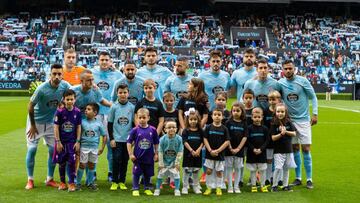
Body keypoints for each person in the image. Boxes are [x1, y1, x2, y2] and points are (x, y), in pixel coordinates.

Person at [25, 63, 71, 190]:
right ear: (50, 74)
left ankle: (49, 179)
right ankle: (30, 179)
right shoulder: (42, 88)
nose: (56, 76)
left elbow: (74, 92)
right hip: (36, 122)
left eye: (59, 74)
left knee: (53, 150)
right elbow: (30, 106)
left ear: (62, 75)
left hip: (51, 123)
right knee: (32, 149)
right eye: (54, 74)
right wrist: (33, 125)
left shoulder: (65, 85)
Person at [279, 60, 318, 189]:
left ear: (294, 68)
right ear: (282, 70)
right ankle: (298, 177)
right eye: (286, 68)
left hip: (304, 120)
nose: (288, 70)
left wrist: (315, 114)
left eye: (290, 68)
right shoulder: (280, 83)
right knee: (295, 148)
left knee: (306, 149)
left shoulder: (303, 81)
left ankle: (309, 179)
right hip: (290, 121)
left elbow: (313, 97)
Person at [92, 51, 123, 182]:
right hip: (94, 113)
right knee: (92, 142)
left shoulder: (117, 74)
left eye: (106, 60)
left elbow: (126, 82)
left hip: (110, 113)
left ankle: (111, 172)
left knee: (112, 144)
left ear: (111, 61)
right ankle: (92, 172)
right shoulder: (92, 72)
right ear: (98, 60)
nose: (104, 62)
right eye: (102, 59)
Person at [53, 89, 81, 192]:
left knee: (72, 162)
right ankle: (62, 182)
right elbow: (56, 127)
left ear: (75, 99)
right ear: (64, 100)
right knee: (61, 163)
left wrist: (78, 141)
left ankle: (72, 183)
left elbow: (78, 127)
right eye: (67, 99)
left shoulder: (77, 112)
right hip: (61, 142)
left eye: (71, 99)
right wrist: (58, 142)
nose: (70, 101)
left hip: (72, 143)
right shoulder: (59, 112)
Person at [127, 108, 159, 197]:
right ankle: (135, 188)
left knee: (147, 174)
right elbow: (129, 142)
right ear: (137, 118)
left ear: (148, 118)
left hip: (149, 157)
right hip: (138, 157)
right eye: (140, 117)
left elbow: (156, 143)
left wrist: (156, 153)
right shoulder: (135, 130)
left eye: (144, 117)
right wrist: (131, 154)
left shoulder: (153, 130)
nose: (142, 119)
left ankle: (147, 188)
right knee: (136, 173)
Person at [108, 84, 135, 191]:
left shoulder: (132, 107)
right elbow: (109, 124)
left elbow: (133, 124)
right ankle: (114, 181)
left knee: (125, 160)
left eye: (125, 92)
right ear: (117, 94)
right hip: (117, 139)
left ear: (128, 93)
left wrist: (132, 139)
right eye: (120, 92)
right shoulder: (114, 107)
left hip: (127, 140)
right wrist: (112, 139)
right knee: (116, 159)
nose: (123, 94)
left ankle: (122, 181)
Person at [76, 103, 107, 191]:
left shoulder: (99, 123)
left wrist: (102, 148)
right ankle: (78, 183)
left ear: (95, 112)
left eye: (89, 109)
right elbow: (77, 134)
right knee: (82, 165)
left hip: (94, 148)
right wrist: (78, 143)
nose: (86, 110)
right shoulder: (82, 121)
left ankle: (90, 183)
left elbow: (104, 135)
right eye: (86, 109)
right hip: (84, 148)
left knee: (92, 166)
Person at [203, 108, 230, 196]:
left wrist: (218, 150)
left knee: (219, 172)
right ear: (212, 116)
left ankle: (219, 187)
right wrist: (210, 150)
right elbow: (205, 139)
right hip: (209, 154)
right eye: (215, 115)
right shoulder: (208, 127)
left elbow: (227, 142)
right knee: (209, 171)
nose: (217, 116)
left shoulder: (224, 129)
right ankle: (209, 187)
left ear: (222, 117)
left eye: (219, 115)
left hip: (220, 154)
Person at [270, 103, 297, 192]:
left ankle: (286, 185)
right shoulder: (274, 123)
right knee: (278, 167)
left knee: (286, 168)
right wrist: (281, 134)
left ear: (285, 112)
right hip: (278, 150)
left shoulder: (288, 122)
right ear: (275, 112)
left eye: (282, 112)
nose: (280, 113)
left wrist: (286, 132)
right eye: (278, 111)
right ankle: (274, 185)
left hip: (288, 149)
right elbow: (273, 138)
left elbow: (294, 133)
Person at [154, 120, 183, 196]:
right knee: (160, 175)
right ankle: (157, 189)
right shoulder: (162, 139)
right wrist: (161, 163)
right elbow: (160, 152)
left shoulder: (179, 139)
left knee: (177, 175)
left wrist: (177, 163)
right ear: (165, 129)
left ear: (176, 129)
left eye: (173, 127)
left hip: (174, 162)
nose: (171, 129)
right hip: (164, 162)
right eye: (169, 127)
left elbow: (180, 152)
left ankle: (176, 190)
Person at [224, 102, 248, 194]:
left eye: (238, 111)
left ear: (242, 112)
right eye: (233, 110)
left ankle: (236, 186)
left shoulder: (244, 123)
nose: (235, 112)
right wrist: (230, 147)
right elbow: (227, 137)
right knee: (229, 168)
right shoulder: (228, 122)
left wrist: (238, 148)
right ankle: (230, 186)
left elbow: (245, 137)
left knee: (238, 168)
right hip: (229, 150)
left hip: (239, 150)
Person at [246, 107, 269, 193]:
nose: (257, 119)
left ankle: (263, 185)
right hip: (252, 153)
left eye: (259, 117)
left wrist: (261, 149)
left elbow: (267, 141)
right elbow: (247, 141)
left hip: (262, 153)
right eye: (255, 117)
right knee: (253, 170)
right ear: (252, 117)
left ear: (262, 117)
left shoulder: (265, 129)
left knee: (262, 170)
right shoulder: (249, 128)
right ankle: (254, 185)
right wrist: (253, 149)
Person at [181, 110, 204, 195]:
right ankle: (185, 187)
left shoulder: (200, 131)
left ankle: (195, 186)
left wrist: (198, 150)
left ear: (198, 120)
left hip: (198, 154)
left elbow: (203, 141)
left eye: (195, 119)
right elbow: (185, 142)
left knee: (195, 171)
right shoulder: (185, 131)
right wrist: (191, 150)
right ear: (188, 120)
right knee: (187, 171)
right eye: (191, 119)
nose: (193, 121)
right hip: (188, 154)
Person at [263, 90, 282, 186]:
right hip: (268, 139)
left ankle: (279, 179)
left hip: (279, 139)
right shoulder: (265, 111)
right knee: (269, 159)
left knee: (279, 159)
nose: (271, 101)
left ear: (279, 100)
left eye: (274, 99)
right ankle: (268, 177)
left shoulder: (281, 111)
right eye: (270, 99)